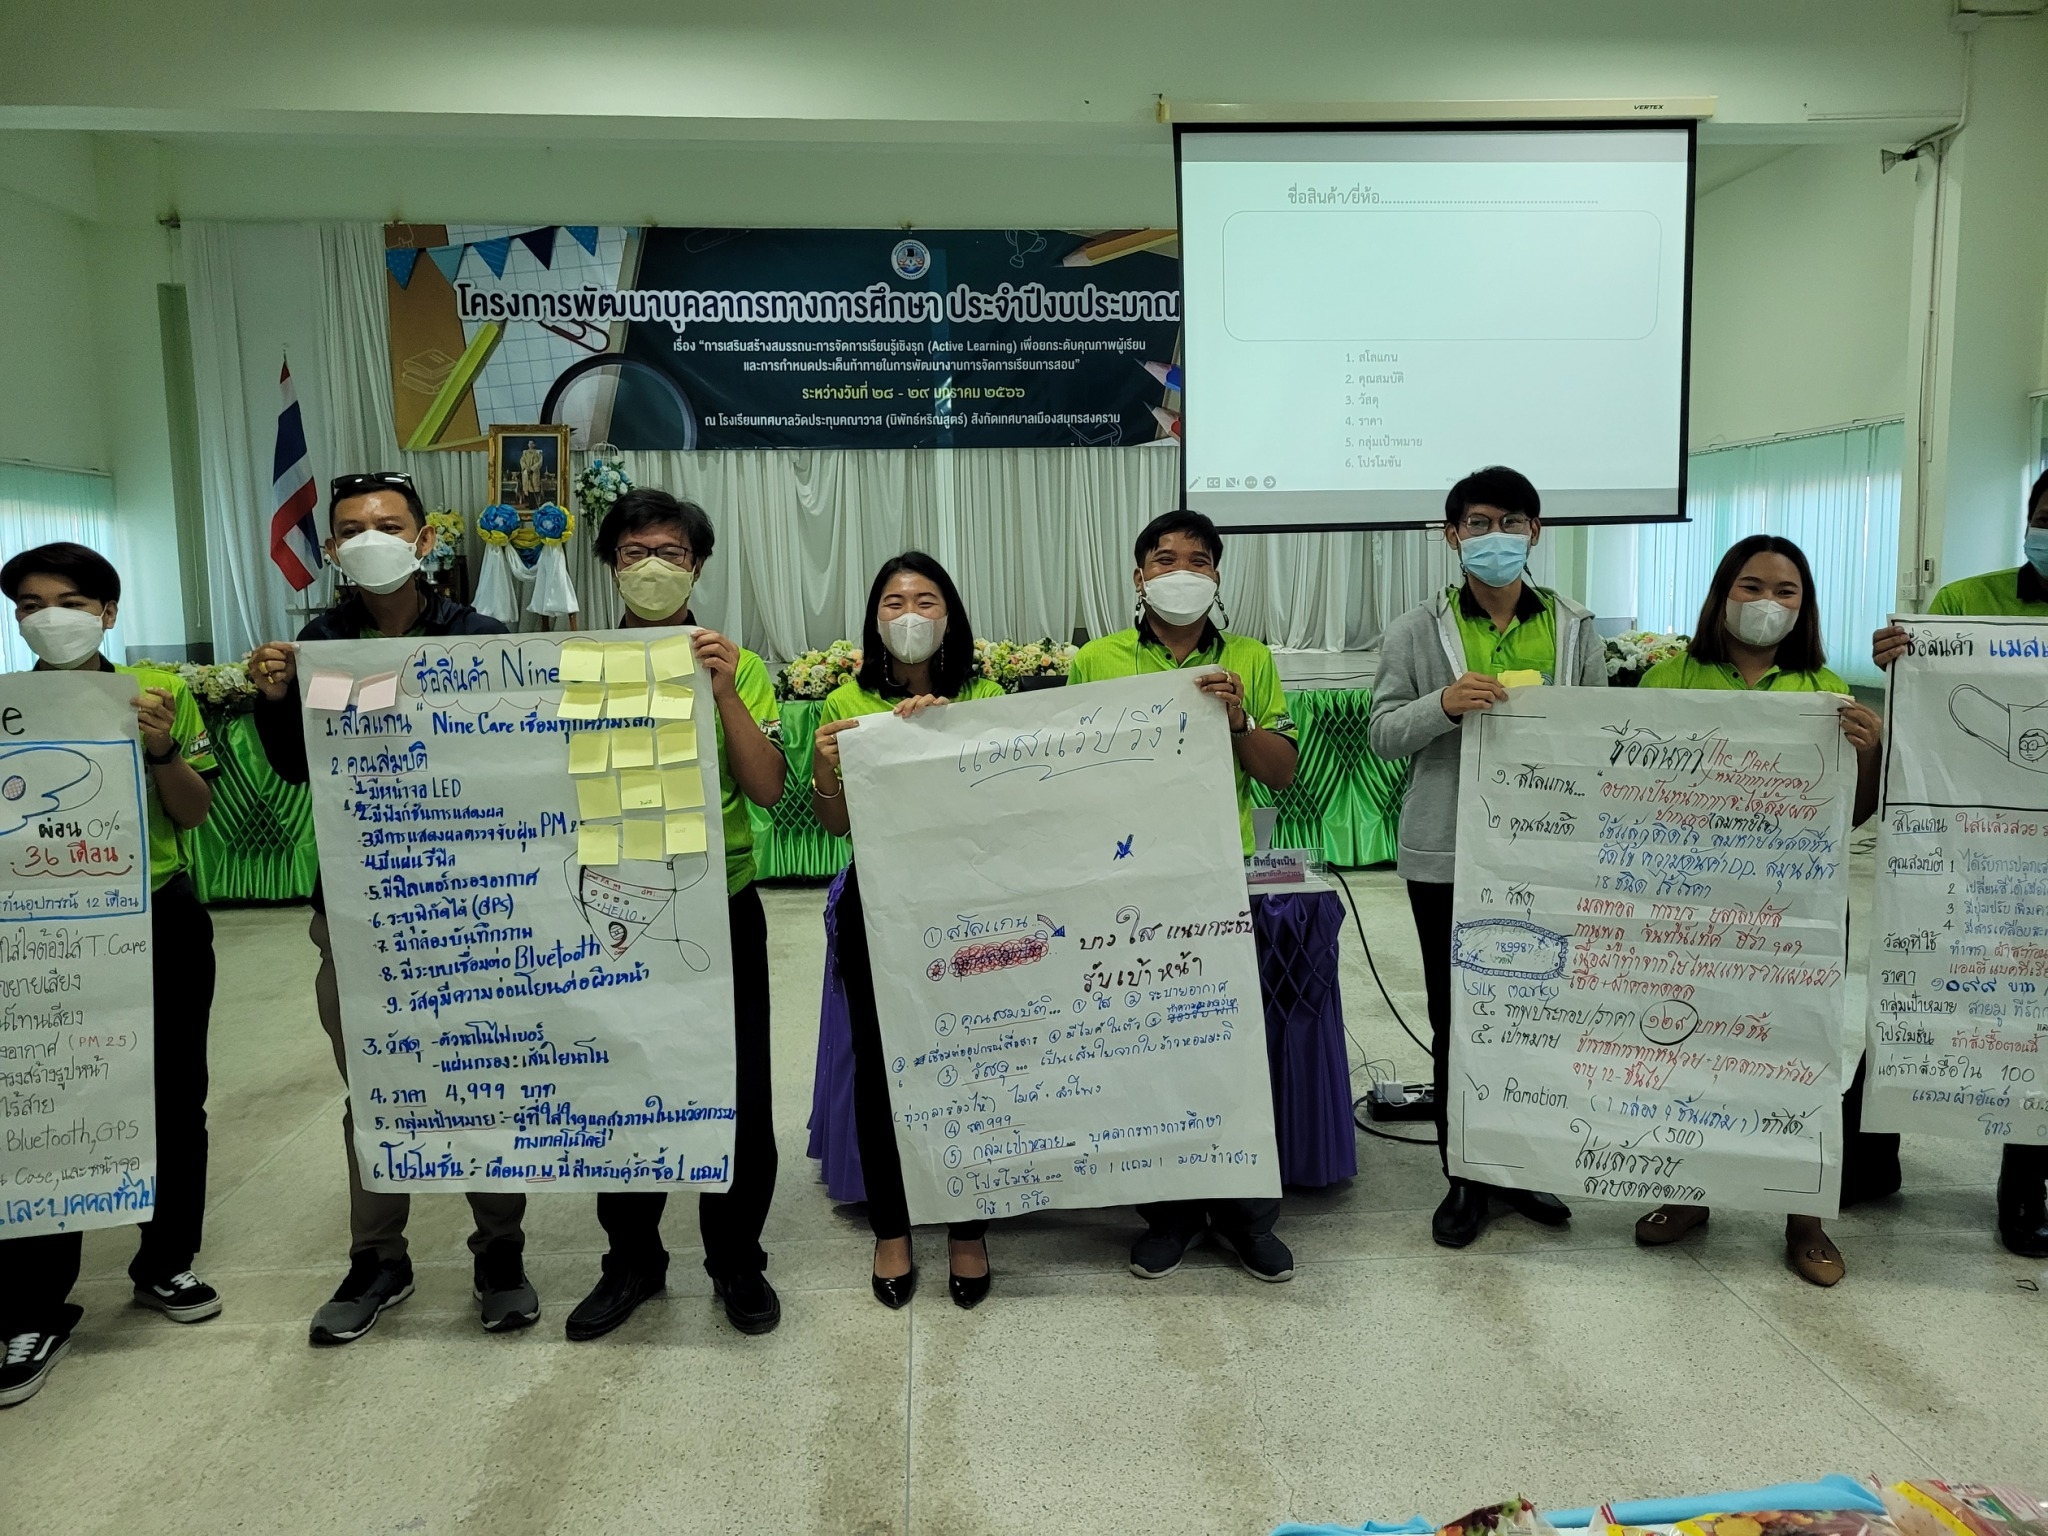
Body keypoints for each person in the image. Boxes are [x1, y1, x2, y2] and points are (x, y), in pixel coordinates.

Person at [249, 471, 537, 1344]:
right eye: (351, 529)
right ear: (332, 549)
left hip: (472, 901)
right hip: (360, 902)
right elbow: (298, 769)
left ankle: (500, 1251)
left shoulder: (479, 638)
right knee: (374, 1080)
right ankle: (378, 1258)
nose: (370, 539)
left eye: (388, 524)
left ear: (425, 539)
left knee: (483, 1073)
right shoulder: (319, 644)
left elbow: (515, 761)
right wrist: (274, 700)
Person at [1629, 535, 1888, 1286]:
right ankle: (1688, 1191)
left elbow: (1851, 817)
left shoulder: (1826, 689)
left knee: (1799, 1051)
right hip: (1690, 905)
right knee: (1687, 1045)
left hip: (1797, 912)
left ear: (1805, 607)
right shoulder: (1667, 679)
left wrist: (1870, 752)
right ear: (1722, 594)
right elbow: (1633, 793)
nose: (1767, 603)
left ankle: (1804, 1216)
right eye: (1751, 586)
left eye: (1785, 591)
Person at [562, 486, 786, 1340]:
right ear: (610, 565)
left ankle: (736, 1258)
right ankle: (632, 1260)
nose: (652, 568)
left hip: (717, 906)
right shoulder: (573, 661)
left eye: (671, 553)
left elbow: (768, 788)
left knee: (739, 1090)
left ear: (698, 566)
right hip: (608, 910)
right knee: (623, 1081)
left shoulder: (738, 664)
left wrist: (724, 693)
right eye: (635, 553)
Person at [0, 543, 220, 1409]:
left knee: (173, 1092)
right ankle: (30, 1303)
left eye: (70, 601)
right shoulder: (8, 706)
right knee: (43, 1100)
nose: (49, 618)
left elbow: (194, 813)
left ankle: (165, 1262)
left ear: (108, 613)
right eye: (30, 605)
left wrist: (161, 749)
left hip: (157, 914)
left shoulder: (159, 694)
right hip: (37, 931)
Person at [1368, 466, 1606, 1249]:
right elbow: (1382, 735)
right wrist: (1442, 705)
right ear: (1452, 536)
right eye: (1477, 523)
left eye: (1510, 522)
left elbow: (1603, 734)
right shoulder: (1414, 630)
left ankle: (1521, 1163)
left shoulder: (1574, 626)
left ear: (1535, 532)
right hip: (1448, 852)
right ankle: (1465, 1175)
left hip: (1546, 853)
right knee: (1458, 1016)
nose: (1494, 536)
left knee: (1534, 1013)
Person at [1066, 509, 1301, 1284]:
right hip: (1126, 881)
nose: (1180, 572)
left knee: (1231, 1050)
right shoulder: (1096, 660)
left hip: (1217, 877)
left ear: (1216, 575)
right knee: (1145, 1053)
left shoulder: (1250, 659)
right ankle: (1165, 1213)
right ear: (1139, 577)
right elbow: (1067, 775)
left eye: (1197, 560)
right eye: (1164, 560)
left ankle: (1245, 1217)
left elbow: (1280, 772)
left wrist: (1237, 720)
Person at [810, 553, 1007, 1309]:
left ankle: (968, 1228)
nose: (910, 614)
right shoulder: (849, 699)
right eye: (894, 602)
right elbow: (836, 824)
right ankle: (891, 1229)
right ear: (875, 618)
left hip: (971, 904)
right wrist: (828, 766)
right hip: (881, 905)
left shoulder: (985, 696)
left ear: (950, 615)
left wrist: (945, 737)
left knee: (975, 1059)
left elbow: (1007, 806)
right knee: (881, 1066)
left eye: (926, 600)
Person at [1872, 465, 2048, 1259]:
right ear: (2028, 518)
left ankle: (2027, 1182)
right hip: (1959, 837)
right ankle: (1869, 1155)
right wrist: (1897, 660)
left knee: (2035, 1014)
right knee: (1921, 977)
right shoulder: (1966, 602)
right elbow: (1928, 706)